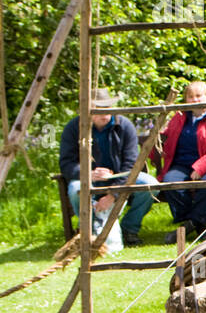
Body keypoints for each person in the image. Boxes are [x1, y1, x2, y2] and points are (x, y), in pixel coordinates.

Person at [59, 88, 158, 246]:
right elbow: (66, 163)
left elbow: (131, 164)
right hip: (88, 179)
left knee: (150, 185)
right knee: (76, 189)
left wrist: (114, 193)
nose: (103, 114)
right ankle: (91, 231)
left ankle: (129, 229)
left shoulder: (125, 126)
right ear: (88, 110)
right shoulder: (74, 128)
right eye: (97, 110)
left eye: (107, 109)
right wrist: (88, 174)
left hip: (120, 178)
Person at [155, 81, 206, 241]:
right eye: (190, 96)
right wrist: (157, 138)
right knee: (170, 182)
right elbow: (167, 139)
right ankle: (198, 224)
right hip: (183, 165)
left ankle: (191, 225)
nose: (195, 100)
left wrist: (200, 167)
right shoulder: (179, 118)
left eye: (199, 96)